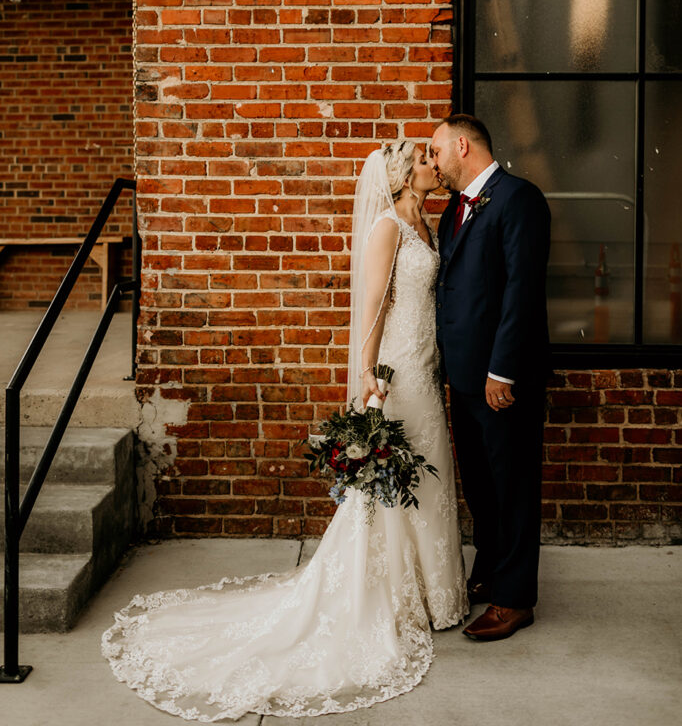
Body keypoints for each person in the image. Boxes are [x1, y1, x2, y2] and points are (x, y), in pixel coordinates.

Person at [102, 140, 469, 721]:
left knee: (426, 478)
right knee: (390, 486)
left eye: (432, 156)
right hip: (398, 368)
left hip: (426, 366)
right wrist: (370, 377)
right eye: (425, 158)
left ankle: (431, 593)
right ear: (403, 174)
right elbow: (372, 305)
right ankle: (393, 599)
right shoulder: (385, 228)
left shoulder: (424, 220)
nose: (434, 163)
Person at [429, 113, 551, 642]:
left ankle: (515, 597)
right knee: (480, 484)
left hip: (501, 379)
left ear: (462, 146)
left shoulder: (518, 199)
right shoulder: (453, 210)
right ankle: (491, 568)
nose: (433, 164)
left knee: (513, 484)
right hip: (462, 376)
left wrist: (501, 371)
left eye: (436, 152)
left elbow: (520, 294)